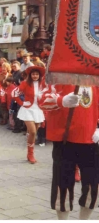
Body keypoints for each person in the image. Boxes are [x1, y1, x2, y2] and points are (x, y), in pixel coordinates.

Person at [38, 83, 99, 220]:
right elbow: (41, 99)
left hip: (91, 140)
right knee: (62, 187)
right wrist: (61, 101)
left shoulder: (95, 76)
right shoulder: (57, 74)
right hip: (64, 140)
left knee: (93, 187)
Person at [12, 66, 45, 164]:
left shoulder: (42, 84)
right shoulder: (25, 83)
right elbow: (14, 94)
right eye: (33, 74)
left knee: (34, 133)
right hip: (27, 109)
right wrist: (22, 103)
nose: (35, 76)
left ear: (39, 76)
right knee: (33, 132)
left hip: (38, 109)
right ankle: (30, 154)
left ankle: (30, 153)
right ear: (30, 75)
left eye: (37, 74)